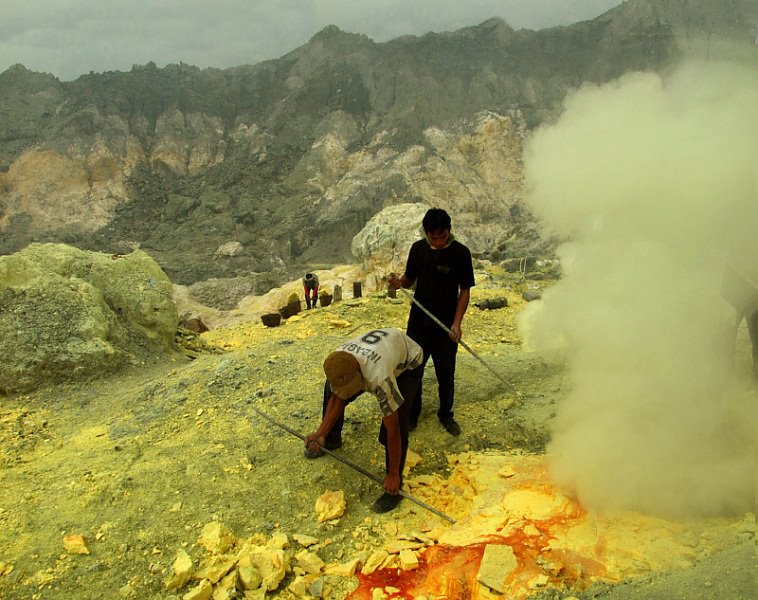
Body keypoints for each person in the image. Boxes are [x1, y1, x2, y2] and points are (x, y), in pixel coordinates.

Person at [304, 327, 423, 513]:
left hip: (409, 361)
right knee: (330, 391)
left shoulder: (380, 378)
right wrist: (320, 434)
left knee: (395, 424)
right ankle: (331, 439)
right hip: (381, 349)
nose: (347, 392)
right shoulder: (338, 361)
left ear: (359, 374)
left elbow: (393, 430)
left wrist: (392, 475)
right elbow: (337, 398)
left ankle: (395, 487)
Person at [388, 208, 475, 436]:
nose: (436, 242)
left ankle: (446, 414)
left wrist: (457, 324)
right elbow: (409, 280)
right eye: (432, 237)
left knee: (445, 372)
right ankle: (411, 416)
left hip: (446, 325)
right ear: (426, 233)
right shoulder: (418, 249)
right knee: (412, 369)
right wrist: (399, 283)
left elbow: (464, 291)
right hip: (418, 322)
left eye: (441, 236)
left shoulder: (461, 253)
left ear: (449, 231)